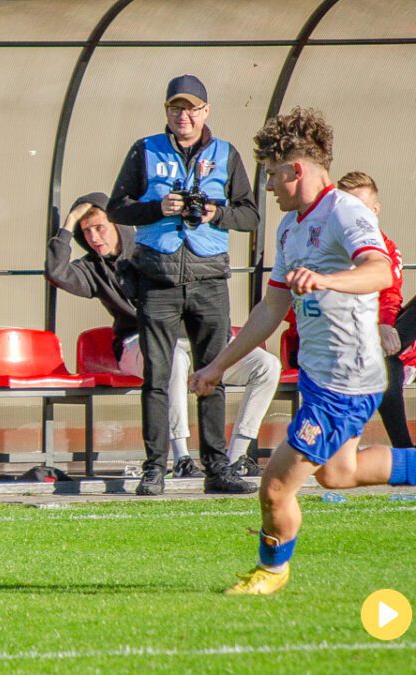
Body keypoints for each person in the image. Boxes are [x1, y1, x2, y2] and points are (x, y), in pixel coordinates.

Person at [189, 107, 416, 596]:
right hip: (323, 374)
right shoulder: (291, 227)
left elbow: (380, 270)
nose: (269, 187)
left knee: (275, 483)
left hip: (349, 377)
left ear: (296, 169)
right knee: (341, 472)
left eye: (273, 175)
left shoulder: (345, 211)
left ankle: (271, 570)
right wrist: (217, 366)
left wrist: (326, 280)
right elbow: (271, 308)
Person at [45, 192, 280, 479]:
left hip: (194, 338)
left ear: (118, 225)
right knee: (172, 359)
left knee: (266, 366)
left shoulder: (154, 249)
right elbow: (56, 272)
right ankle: (181, 457)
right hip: (139, 343)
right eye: (86, 231)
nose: (94, 237)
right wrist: (68, 223)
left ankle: (235, 458)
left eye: (100, 227)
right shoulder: (91, 268)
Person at [108, 74, 260, 496]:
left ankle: (217, 468)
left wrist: (215, 213)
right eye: (176, 108)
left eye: (192, 108)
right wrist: (159, 207)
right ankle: (155, 468)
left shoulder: (226, 154)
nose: (184, 116)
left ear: (205, 112)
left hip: (209, 278)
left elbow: (250, 216)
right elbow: (116, 208)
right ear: (167, 113)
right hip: (157, 279)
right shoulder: (144, 150)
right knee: (157, 376)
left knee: (212, 374)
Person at [280, 171, 416, 449]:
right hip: (330, 340)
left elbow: (390, 292)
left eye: (362, 207)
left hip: (373, 335)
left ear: (375, 210)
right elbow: (291, 304)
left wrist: (383, 327)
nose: (354, 214)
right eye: (348, 205)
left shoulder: (383, 246)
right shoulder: (317, 239)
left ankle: (380, 350)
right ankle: (404, 449)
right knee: (385, 363)